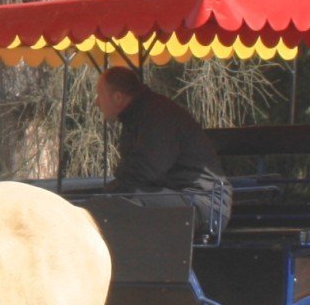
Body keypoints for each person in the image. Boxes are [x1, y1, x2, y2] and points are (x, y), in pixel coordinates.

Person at [96, 66, 232, 243]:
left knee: (121, 202)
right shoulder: (140, 116)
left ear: (118, 97)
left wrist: (110, 191)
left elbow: (146, 170)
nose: (97, 102)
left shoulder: (157, 115)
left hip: (205, 203)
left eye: (99, 95)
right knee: (114, 199)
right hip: (182, 195)